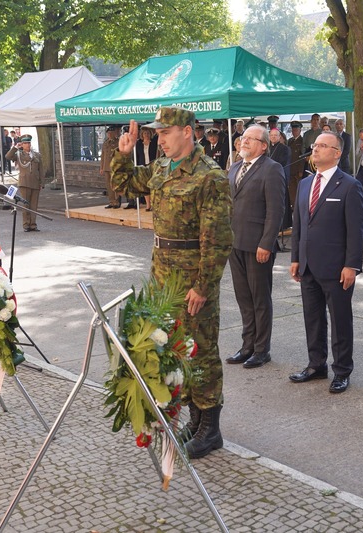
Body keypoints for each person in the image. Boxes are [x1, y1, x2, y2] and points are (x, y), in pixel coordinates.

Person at [110, 107, 233, 459]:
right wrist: (123, 153)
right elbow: (124, 184)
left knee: (203, 350)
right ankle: (194, 418)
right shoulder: (161, 168)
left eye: (166, 133)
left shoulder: (210, 177)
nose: (159, 139)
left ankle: (211, 428)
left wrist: (203, 286)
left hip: (193, 278)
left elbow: (219, 240)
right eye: (157, 133)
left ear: (188, 132)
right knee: (176, 347)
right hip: (163, 274)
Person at [289, 131, 363, 394]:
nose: (315, 149)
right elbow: (299, 225)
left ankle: (342, 370)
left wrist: (352, 265)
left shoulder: (349, 185)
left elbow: (356, 230)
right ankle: (316, 364)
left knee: (340, 320)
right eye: (315, 145)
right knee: (313, 318)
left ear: (337, 152)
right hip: (308, 265)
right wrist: (296, 258)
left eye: (322, 145)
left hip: (336, 267)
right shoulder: (305, 184)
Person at [226, 126, 285, 370]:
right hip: (234, 242)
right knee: (243, 298)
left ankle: (262, 349)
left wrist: (266, 243)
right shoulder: (235, 168)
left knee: (260, 298)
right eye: (243, 138)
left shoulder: (272, 169)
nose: (244, 142)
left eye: (250, 139)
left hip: (257, 244)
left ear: (263, 145)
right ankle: (247, 345)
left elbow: (276, 210)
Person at [5, 134, 45, 232]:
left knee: (34, 205)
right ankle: (26, 224)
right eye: (25, 143)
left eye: (29, 143)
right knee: (25, 205)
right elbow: (8, 156)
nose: (27, 145)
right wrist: (15, 147)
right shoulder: (19, 155)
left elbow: (41, 170)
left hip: (35, 182)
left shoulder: (37, 155)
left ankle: (33, 224)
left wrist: (42, 183)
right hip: (24, 182)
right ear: (22, 144)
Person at [135, 126, 158, 211]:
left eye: (148, 133)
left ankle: (153, 203)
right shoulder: (139, 144)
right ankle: (148, 204)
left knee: (152, 185)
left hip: (152, 166)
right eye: (145, 133)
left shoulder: (153, 142)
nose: (146, 135)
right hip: (143, 166)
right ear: (142, 134)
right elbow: (137, 156)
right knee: (145, 186)